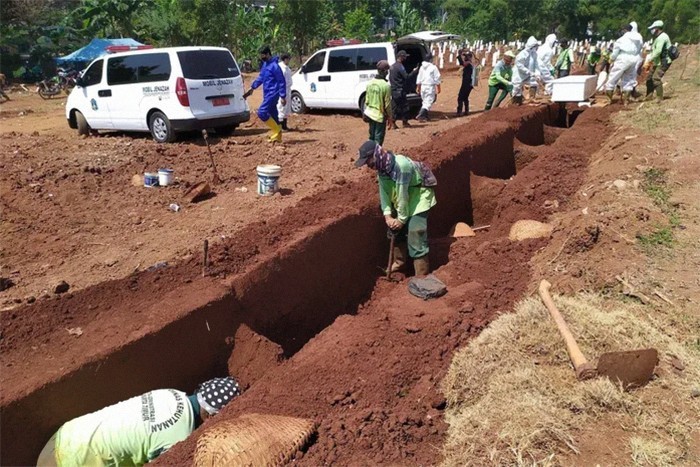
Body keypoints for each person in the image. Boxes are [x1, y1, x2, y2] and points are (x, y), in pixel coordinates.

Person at [37, 377, 241, 466]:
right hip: (77, 463)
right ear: (211, 416)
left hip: (61, 438)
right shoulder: (181, 437)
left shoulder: (170, 393)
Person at [355, 140, 436, 276]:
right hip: (402, 200)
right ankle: (399, 264)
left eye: (368, 162)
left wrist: (401, 220)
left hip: (418, 197)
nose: (368, 166)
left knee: (416, 232)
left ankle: (422, 275)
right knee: (395, 231)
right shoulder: (382, 169)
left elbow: (402, 194)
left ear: (376, 156)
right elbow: (384, 193)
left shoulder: (401, 166)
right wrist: (387, 215)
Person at [243, 45, 286, 143]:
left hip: (273, 93)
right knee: (273, 113)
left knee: (262, 112)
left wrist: (283, 96)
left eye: (263, 55)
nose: (262, 57)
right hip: (267, 93)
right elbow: (260, 78)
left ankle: (277, 130)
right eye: (261, 55)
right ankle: (278, 137)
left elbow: (281, 81)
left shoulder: (275, 66)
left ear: (268, 54)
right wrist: (253, 87)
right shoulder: (265, 65)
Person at [605, 22, 644, 105]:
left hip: (623, 59)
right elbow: (640, 48)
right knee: (628, 80)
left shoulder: (621, 40)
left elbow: (615, 53)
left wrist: (611, 59)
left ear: (624, 30)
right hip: (634, 59)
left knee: (613, 78)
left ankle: (609, 99)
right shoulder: (637, 38)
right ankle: (626, 101)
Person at [363, 60, 393, 144]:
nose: (388, 73)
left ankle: (370, 154)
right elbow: (387, 105)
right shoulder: (386, 86)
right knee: (378, 138)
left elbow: (367, 101)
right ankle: (376, 156)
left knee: (371, 136)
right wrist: (390, 118)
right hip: (379, 116)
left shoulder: (370, 83)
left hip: (370, 114)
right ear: (385, 71)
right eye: (387, 71)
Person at [644, 20, 673, 102]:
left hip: (664, 61)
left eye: (652, 28)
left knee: (656, 78)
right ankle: (649, 96)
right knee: (649, 78)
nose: (651, 30)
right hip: (658, 61)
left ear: (657, 28)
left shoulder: (662, 37)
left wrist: (649, 60)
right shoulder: (658, 37)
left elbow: (658, 51)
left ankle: (659, 97)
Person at [389, 50, 418, 128]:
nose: (405, 58)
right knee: (405, 107)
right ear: (401, 57)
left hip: (393, 90)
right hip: (400, 90)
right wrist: (414, 71)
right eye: (404, 56)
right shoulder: (400, 66)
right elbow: (407, 77)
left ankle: (393, 123)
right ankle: (405, 122)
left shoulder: (392, 66)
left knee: (394, 107)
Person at [512, 36, 539, 105]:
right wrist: (528, 72)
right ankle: (516, 102)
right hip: (519, 75)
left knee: (534, 83)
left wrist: (537, 73)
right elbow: (519, 65)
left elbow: (536, 64)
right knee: (517, 88)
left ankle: (532, 98)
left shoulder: (534, 54)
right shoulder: (522, 54)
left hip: (529, 74)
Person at [415, 53, 441, 121]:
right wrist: (438, 88)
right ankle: (420, 114)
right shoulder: (433, 67)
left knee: (424, 102)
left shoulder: (421, 67)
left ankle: (425, 117)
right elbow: (437, 78)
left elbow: (419, 78)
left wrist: (418, 87)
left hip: (423, 86)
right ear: (430, 59)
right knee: (428, 102)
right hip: (430, 87)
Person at [276, 53, 293, 131]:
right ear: (285, 59)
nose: (289, 60)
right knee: (281, 108)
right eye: (288, 59)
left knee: (286, 109)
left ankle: (284, 126)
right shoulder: (281, 68)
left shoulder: (287, 68)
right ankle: (280, 127)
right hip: (282, 90)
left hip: (288, 90)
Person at [456, 50, 474, 116]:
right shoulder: (470, 63)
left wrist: (459, 55)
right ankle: (466, 111)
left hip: (466, 84)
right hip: (469, 84)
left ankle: (459, 112)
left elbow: (462, 64)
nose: (465, 57)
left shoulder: (468, 63)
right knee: (465, 97)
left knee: (460, 97)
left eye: (466, 56)